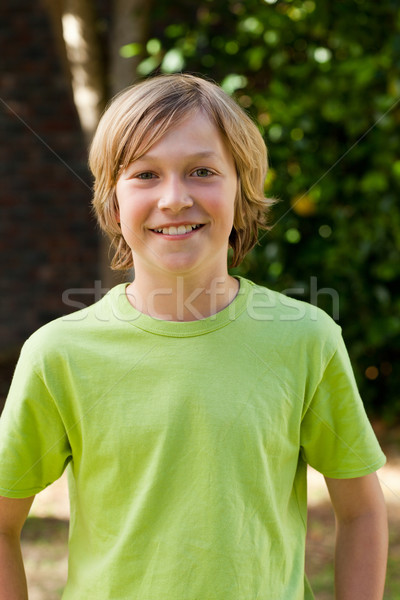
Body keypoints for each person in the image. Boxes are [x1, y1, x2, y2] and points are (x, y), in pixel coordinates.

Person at [0, 73, 388, 599]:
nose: (175, 198)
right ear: (112, 202)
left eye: (202, 171)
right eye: (145, 175)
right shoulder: (58, 354)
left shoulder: (306, 338)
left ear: (241, 190)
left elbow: (362, 511)